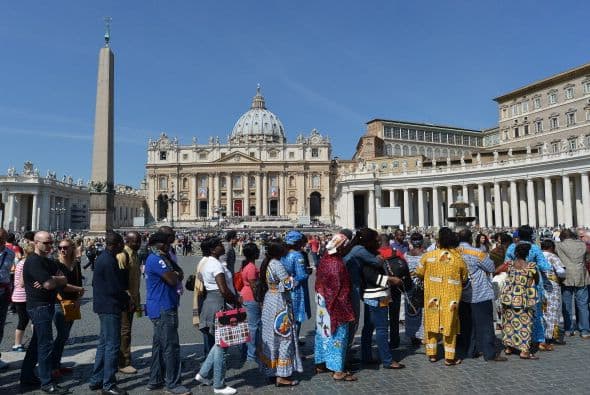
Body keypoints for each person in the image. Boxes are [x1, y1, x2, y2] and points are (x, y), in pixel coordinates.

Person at [20, 230, 70, 394]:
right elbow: (49, 285)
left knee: (36, 343)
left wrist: (53, 279)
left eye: (51, 243)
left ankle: (27, 376)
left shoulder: (47, 262)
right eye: (46, 243)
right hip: (38, 306)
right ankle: (47, 382)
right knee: (45, 345)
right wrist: (53, 280)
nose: (50, 246)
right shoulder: (34, 261)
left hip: (46, 304)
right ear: (36, 243)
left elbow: (63, 279)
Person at [144, 232, 190, 395]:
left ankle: (155, 379)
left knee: (158, 346)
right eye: (166, 243)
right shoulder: (156, 260)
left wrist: (176, 274)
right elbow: (172, 279)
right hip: (163, 307)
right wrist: (176, 275)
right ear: (159, 244)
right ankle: (173, 384)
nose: (169, 245)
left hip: (160, 305)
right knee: (171, 346)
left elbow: (179, 273)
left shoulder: (160, 258)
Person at [415, 227, 468, 366]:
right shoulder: (457, 258)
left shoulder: (428, 256)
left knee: (432, 322)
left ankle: (432, 354)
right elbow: (465, 277)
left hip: (432, 295)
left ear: (437, 241)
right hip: (451, 296)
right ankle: (449, 357)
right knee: (450, 324)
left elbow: (419, 272)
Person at [89, 232, 132, 395]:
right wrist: (127, 299)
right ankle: (108, 384)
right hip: (110, 307)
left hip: (103, 305)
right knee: (113, 345)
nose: (123, 246)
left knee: (103, 344)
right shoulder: (108, 260)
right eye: (121, 244)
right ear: (115, 244)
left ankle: (96, 379)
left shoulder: (103, 257)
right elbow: (115, 287)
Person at [195, 237, 239, 395]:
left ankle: (203, 373)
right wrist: (236, 300)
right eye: (220, 245)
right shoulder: (215, 264)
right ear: (213, 249)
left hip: (210, 302)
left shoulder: (207, 261)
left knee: (219, 343)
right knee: (223, 345)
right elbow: (224, 289)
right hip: (219, 303)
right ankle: (219, 385)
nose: (223, 246)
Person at [456, 228, 506, 362]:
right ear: (471, 239)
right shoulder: (477, 253)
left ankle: (470, 351)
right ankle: (489, 353)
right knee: (485, 325)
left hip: (461, 294)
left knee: (467, 325)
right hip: (479, 293)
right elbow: (491, 268)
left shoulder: (453, 252)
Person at [359, 228, 406, 369]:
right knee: (381, 328)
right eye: (376, 240)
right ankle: (387, 360)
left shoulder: (371, 254)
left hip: (373, 295)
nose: (379, 242)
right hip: (378, 295)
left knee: (369, 327)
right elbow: (372, 276)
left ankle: (366, 355)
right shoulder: (368, 257)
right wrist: (391, 280)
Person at [257, 240, 302, 387]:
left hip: (270, 298)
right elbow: (288, 284)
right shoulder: (277, 264)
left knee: (271, 336)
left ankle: (272, 369)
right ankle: (282, 375)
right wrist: (295, 278)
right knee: (284, 337)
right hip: (279, 303)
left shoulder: (269, 263)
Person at [314, 233, 357, 381]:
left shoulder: (325, 259)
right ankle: (338, 371)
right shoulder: (337, 264)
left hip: (321, 303)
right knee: (338, 337)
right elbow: (337, 290)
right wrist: (346, 309)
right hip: (335, 305)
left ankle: (320, 363)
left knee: (322, 333)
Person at [505, 225, 552, 347]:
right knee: (536, 312)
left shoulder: (511, 247)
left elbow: (506, 263)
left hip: (515, 283)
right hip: (532, 283)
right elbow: (545, 266)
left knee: (515, 311)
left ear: (518, 235)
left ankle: (514, 340)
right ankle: (538, 339)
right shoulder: (535, 248)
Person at [343, 228, 383, 364]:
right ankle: (345, 356)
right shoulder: (360, 250)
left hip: (351, 285)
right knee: (353, 321)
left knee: (351, 320)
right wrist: (379, 257)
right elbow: (377, 261)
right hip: (352, 286)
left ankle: (346, 353)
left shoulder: (353, 248)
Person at [51, 238, 85, 379]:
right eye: (60, 248)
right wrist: (79, 289)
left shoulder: (75, 264)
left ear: (72, 248)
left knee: (64, 336)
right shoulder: (55, 264)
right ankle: (52, 366)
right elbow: (59, 286)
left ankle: (57, 364)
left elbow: (78, 281)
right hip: (59, 302)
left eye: (65, 247)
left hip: (72, 302)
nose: (63, 250)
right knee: (62, 334)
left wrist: (78, 299)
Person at [500, 243, 539, 359]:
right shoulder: (531, 266)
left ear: (515, 253)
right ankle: (524, 351)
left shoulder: (510, 264)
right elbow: (536, 280)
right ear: (527, 254)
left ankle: (508, 347)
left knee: (508, 322)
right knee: (525, 324)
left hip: (508, 298)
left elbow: (497, 270)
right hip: (524, 299)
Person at [555, 229, 590, 338]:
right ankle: (585, 330)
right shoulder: (582, 244)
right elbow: (587, 258)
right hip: (581, 274)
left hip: (566, 276)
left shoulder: (559, 245)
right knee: (583, 304)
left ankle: (568, 329)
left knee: (567, 304)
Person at [117, 231, 142, 374]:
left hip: (133, 298)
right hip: (126, 300)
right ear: (127, 241)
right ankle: (123, 362)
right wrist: (129, 299)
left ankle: (123, 357)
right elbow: (121, 281)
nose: (138, 244)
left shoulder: (135, 254)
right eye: (135, 241)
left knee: (126, 330)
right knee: (124, 331)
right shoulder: (123, 255)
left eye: (139, 241)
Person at [281, 231, 311, 345]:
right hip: (297, 290)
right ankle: (294, 346)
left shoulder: (284, 254)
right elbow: (302, 275)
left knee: (288, 318)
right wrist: (307, 272)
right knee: (297, 317)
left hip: (287, 287)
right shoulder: (297, 255)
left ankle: (289, 343)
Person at [540, 239, 566, 348]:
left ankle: (541, 335)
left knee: (542, 311)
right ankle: (550, 336)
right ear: (551, 248)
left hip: (540, 286)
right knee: (552, 310)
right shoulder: (552, 256)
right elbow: (561, 272)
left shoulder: (538, 255)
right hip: (551, 286)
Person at [239, 242, 261, 363]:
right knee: (253, 327)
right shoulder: (251, 267)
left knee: (247, 326)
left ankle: (246, 352)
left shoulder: (246, 265)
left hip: (245, 295)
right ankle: (251, 354)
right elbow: (254, 287)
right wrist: (259, 300)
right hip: (251, 297)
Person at [404, 233, 426, 346]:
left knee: (411, 311)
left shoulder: (405, 255)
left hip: (409, 286)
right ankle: (422, 335)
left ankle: (412, 334)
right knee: (422, 311)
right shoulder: (425, 255)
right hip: (422, 286)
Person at [12, 243, 35, 352]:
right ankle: (36, 341)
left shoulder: (21, 262)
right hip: (24, 295)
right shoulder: (27, 263)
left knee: (23, 320)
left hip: (18, 295)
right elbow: (22, 282)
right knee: (33, 320)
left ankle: (17, 344)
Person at [0, 228, 16, 371]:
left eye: (3, 239)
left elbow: (11, 271)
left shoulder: (10, 253)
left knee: (0, 325)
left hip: (3, 293)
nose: (2, 241)